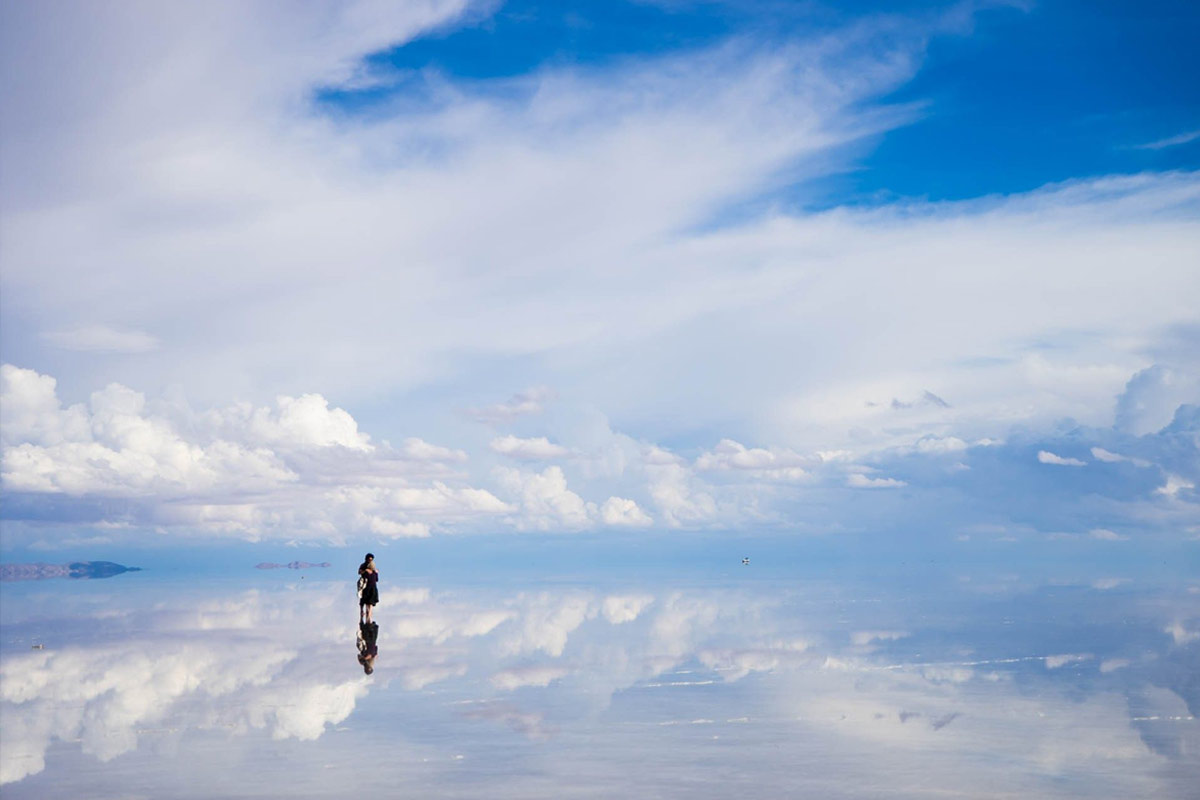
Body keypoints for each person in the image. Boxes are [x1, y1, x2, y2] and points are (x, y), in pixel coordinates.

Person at [358, 553, 379, 624]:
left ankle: (368, 614)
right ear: (366, 559)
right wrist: (365, 571)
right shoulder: (363, 565)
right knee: (364, 600)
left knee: (370, 601)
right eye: (369, 559)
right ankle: (363, 611)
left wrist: (374, 571)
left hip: (372, 586)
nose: (370, 560)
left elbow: (376, 579)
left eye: (371, 559)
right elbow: (359, 572)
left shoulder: (373, 568)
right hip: (365, 586)